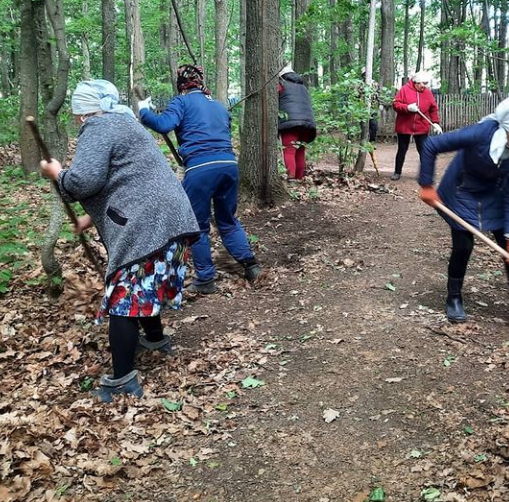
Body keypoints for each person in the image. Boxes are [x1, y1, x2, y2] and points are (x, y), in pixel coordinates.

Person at [39, 80, 200, 402]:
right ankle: (155, 339)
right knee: (144, 282)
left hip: (148, 222)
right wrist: (90, 217)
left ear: (83, 113)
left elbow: (84, 182)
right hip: (170, 217)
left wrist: (56, 172)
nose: (75, 120)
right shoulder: (125, 122)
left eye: (75, 114)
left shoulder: (98, 126)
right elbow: (127, 177)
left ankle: (122, 378)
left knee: (124, 299)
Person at [418, 91, 509, 336]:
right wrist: (426, 184)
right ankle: (454, 298)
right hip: (461, 192)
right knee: (463, 245)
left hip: (494, 195)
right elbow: (432, 145)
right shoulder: (480, 134)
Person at [138, 64, 262, 293]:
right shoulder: (219, 106)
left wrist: (144, 111)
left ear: (181, 86)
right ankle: (251, 265)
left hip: (201, 169)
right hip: (228, 166)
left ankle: (205, 279)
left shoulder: (181, 102)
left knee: (198, 226)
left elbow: (163, 125)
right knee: (228, 220)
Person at [391, 71, 441, 181]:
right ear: (416, 82)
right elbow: (396, 104)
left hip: (421, 127)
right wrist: (407, 107)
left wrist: (436, 122)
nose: (425, 86)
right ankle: (397, 172)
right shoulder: (404, 90)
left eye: (426, 83)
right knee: (402, 149)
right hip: (404, 126)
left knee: (424, 150)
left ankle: (425, 174)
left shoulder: (427, 93)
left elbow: (433, 108)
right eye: (423, 83)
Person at [278, 62, 317, 181]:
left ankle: (291, 180)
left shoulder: (281, 84)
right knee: (300, 151)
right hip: (307, 125)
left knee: (289, 151)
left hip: (290, 124)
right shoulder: (303, 87)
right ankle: (299, 179)